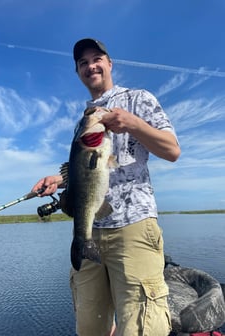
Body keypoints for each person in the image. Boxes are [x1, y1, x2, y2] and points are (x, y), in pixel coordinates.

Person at [32, 38, 181, 336]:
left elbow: (172, 150)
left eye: (96, 58)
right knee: (89, 326)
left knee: (143, 328)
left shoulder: (138, 99)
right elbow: (93, 166)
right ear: (78, 73)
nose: (91, 66)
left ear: (110, 64)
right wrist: (59, 179)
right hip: (90, 230)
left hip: (133, 228)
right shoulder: (83, 121)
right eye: (82, 63)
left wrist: (132, 124)